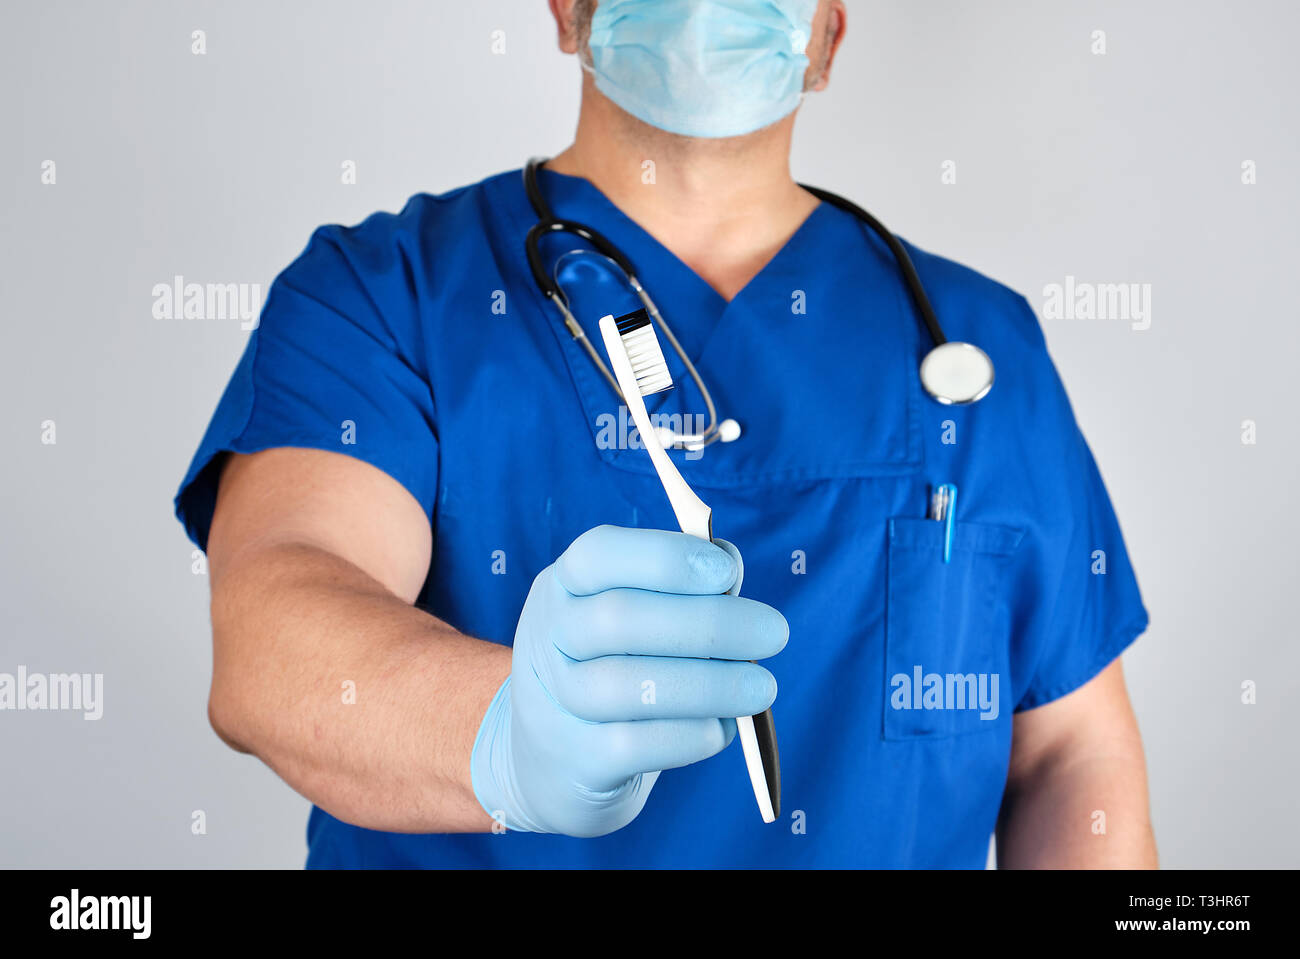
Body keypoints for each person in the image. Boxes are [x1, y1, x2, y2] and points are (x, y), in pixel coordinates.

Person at [174, 0, 1157, 867]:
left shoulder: (977, 348)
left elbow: (1072, 751)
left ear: (826, 38)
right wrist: (508, 733)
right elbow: (273, 631)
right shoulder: (384, 295)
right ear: (568, 11)